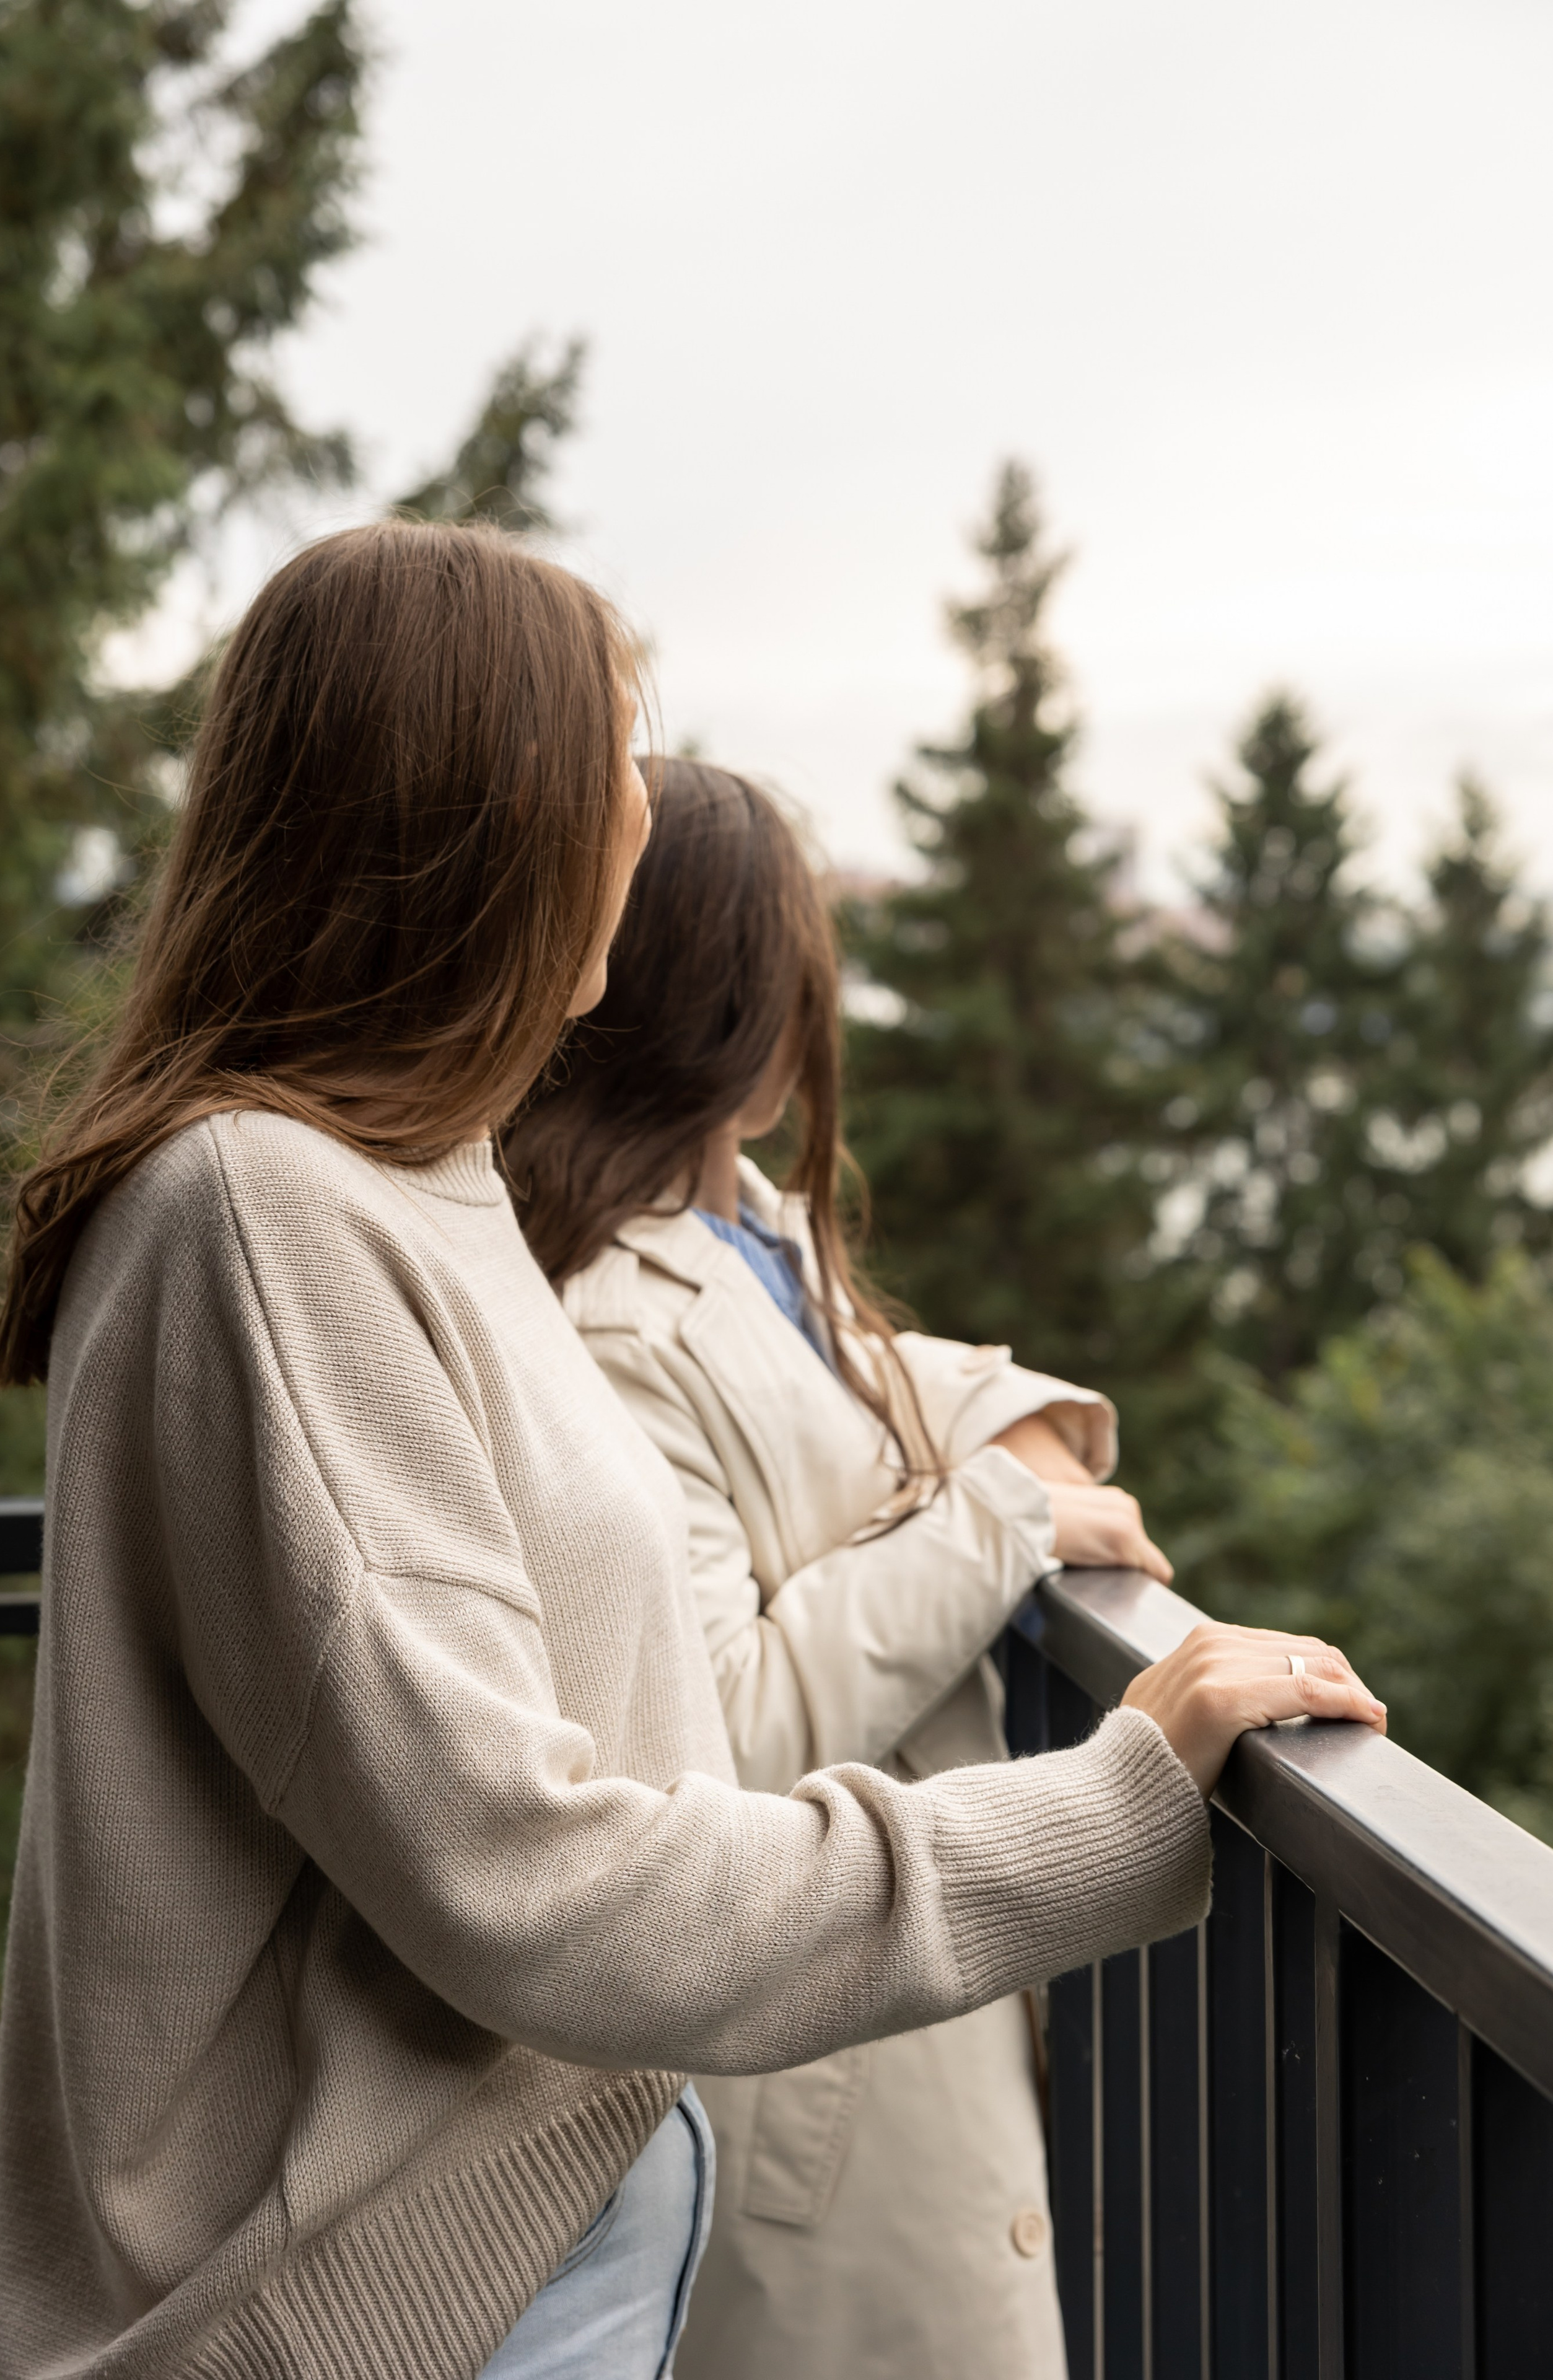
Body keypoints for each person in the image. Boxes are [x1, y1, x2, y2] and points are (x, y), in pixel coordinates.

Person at [0, 525, 1385, 2380]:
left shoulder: (421, 1192)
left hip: (547, 2281)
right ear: (484, 824)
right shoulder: (266, 1221)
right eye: (612, 768)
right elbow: (533, 1877)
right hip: (374, 2327)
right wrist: (1115, 1800)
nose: (641, 828)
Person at [501, 760, 1337, 2379]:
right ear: (750, 1003)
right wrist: (1004, 1526)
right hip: (804, 2084)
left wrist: (1007, 1443)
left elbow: (917, 1380)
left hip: (891, 2035)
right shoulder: (605, 1317)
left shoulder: (760, 1234)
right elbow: (719, 1726)